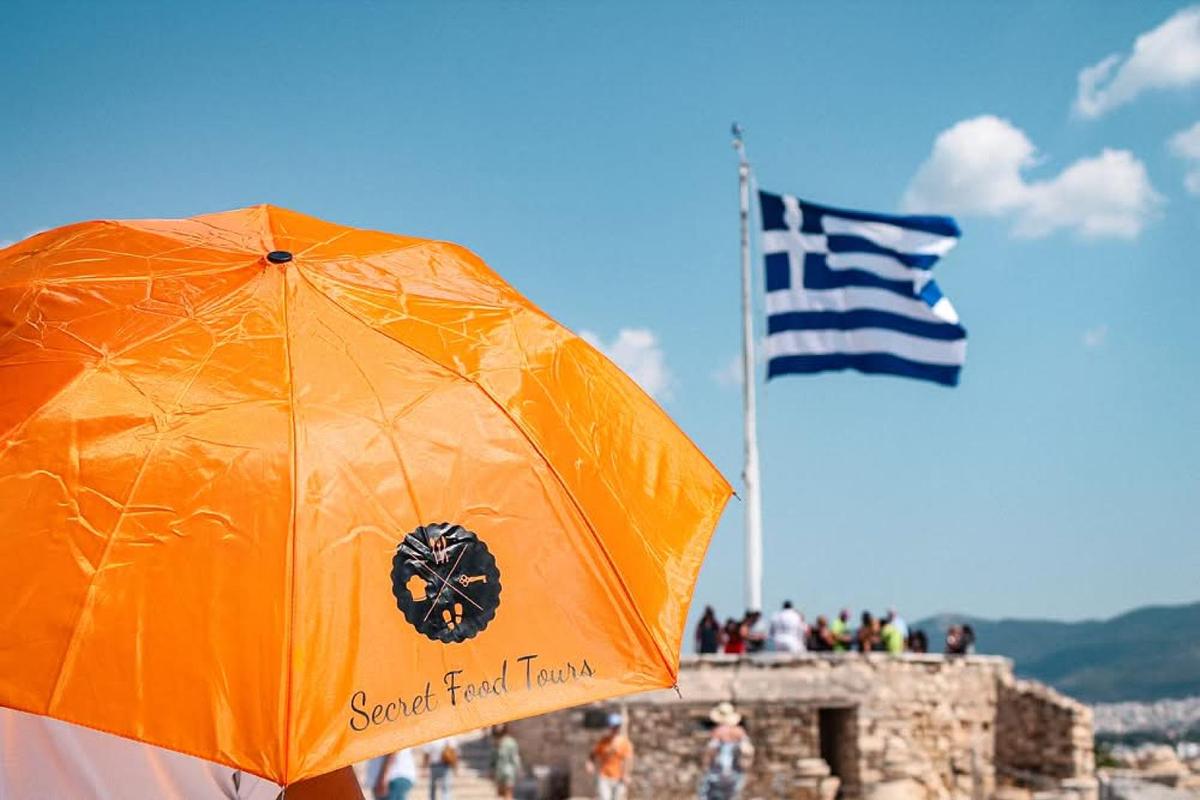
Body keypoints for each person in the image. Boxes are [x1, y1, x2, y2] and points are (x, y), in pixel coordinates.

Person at [699, 702, 754, 800]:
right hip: (735, 772)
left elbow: (711, 751)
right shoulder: (740, 732)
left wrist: (705, 764)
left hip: (718, 772)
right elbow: (748, 750)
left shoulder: (718, 731)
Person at [588, 713, 633, 800]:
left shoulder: (625, 743)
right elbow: (593, 754)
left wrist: (626, 775)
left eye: (616, 727)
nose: (614, 729)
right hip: (604, 776)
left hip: (619, 778)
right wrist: (590, 763)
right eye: (612, 727)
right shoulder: (604, 741)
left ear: (619, 727)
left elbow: (628, 760)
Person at [422, 735, 459, 800]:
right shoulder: (449, 738)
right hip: (445, 766)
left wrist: (424, 768)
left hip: (434, 766)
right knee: (446, 789)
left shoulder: (431, 739)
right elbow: (454, 754)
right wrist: (455, 769)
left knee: (433, 788)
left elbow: (426, 754)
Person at [490, 725, 521, 799]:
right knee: (502, 793)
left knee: (508, 792)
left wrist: (518, 770)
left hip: (508, 771)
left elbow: (514, 758)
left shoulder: (510, 742)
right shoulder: (496, 742)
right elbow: (493, 758)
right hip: (500, 771)